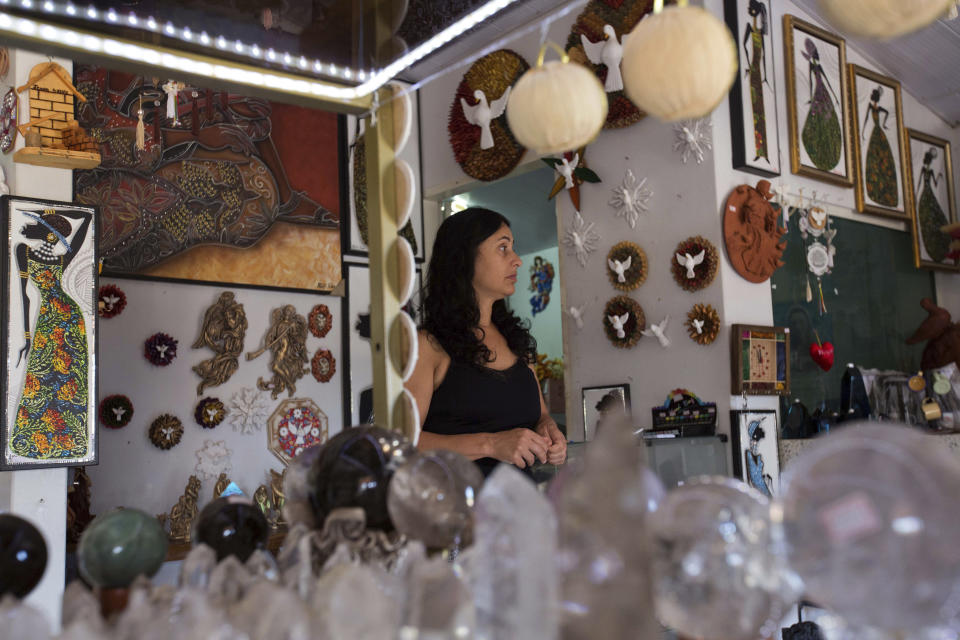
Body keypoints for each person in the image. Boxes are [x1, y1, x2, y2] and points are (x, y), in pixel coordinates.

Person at [405, 207, 566, 476]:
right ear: (465, 258)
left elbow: (541, 415)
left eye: (513, 248)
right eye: (503, 248)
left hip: (518, 510)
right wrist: (490, 444)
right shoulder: (428, 344)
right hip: (455, 512)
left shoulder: (516, 340)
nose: (517, 260)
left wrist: (549, 430)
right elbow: (403, 442)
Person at [12, 208, 93, 459]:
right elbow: (24, 296)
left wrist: (47, 211)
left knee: (69, 379)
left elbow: (87, 218)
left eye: (45, 229)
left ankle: (69, 443)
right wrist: (26, 337)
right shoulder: (23, 251)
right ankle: (34, 440)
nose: (35, 229)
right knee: (42, 376)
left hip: (69, 320)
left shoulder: (61, 260)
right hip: (49, 319)